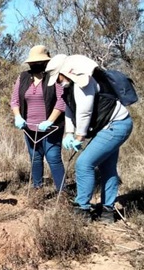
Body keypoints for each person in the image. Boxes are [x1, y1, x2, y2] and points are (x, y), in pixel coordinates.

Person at [45, 54, 133, 222]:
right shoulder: (69, 87)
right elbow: (70, 110)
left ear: (64, 73)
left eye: (57, 78)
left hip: (116, 125)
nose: (57, 82)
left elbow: (84, 112)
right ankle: (107, 211)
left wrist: (79, 137)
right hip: (109, 127)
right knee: (107, 166)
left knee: (84, 164)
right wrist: (69, 133)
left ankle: (82, 209)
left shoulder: (83, 83)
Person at [11, 45, 65, 191]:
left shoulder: (53, 77)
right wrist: (18, 117)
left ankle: (62, 192)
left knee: (53, 158)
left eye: (39, 62)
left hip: (51, 128)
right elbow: (15, 100)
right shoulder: (23, 77)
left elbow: (62, 100)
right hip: (29, 128)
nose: (35, 65)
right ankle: (37, 189)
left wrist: (50, 121)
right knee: (35, 158)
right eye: (33, 62)